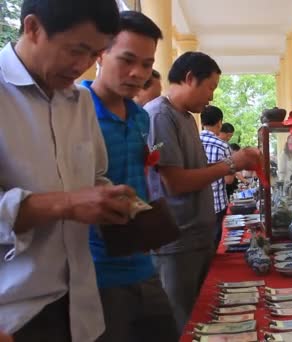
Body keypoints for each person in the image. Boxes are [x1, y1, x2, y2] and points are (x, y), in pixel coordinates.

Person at [0, 1, 134, 341]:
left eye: (94, 54)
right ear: (32, 28)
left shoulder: (80, 102)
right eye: (76, 50)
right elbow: (72, 197)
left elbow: (93, 178)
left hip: (82, 306)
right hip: (14, 315)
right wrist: (67, 204)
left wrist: (109, 198)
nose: (83, 66)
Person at [145, 51, 260, 331]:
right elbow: (176, 181)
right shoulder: (160, 115)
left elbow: (194, 167)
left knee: (199, 315)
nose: (211, 97)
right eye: (210, 87)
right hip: (176, 239)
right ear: (189, 79)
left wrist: (231, 162)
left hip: (196, 234)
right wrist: (232, 163)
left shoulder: (185, 117)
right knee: (181, 320)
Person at [81, 11, 178, 342]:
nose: (138, 73)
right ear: (100, 53)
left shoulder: (140, 118)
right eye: (127, 60)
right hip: (95, 271)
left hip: (143, 261)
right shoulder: (74, 113)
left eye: (147, 64)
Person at [200, 105, 233, 250]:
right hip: (217, 203)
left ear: (202, 123)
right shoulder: (223, 146)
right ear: (219, 122)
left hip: (195, 202)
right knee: (212, 245)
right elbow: (229, 180)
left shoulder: (191, 141)